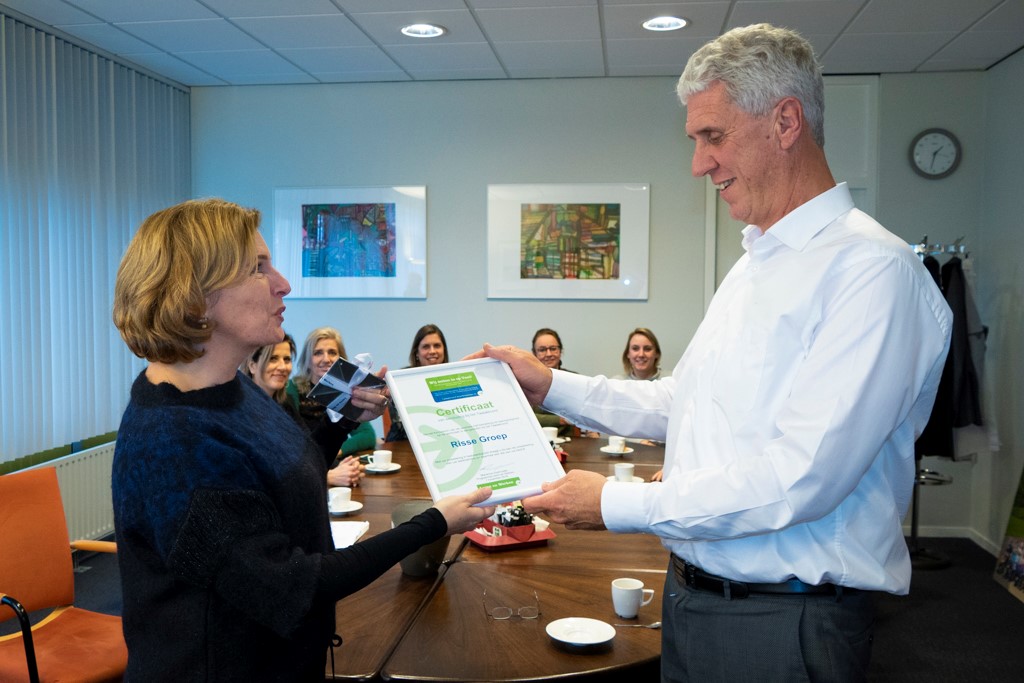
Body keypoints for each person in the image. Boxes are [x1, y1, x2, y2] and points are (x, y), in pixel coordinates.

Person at [470, 24, 952, 682]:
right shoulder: (756, 262)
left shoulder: (872, 272)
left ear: (785, 122)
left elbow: (799, 478)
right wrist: (550, 385)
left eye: (713, 136)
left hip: (784, 618)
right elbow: (685, 401)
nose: (699, 164)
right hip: (696, 594)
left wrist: (614, 503)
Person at [111, 198, 493, 681]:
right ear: (196, 296)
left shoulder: (230, 389)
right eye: (258, 268)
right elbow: (294, 584)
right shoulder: (173, 444)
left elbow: (291, 467)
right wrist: (433, 523)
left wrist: (342, 420)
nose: (283, 284)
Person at [244, 335, 365, 488]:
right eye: (273, 359)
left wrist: (345, 468)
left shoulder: (285, 404)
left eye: (287, 360)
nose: (282, 367)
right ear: (252, 365)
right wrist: (328, 477)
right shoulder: (242, 412)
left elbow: (309, 452)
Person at [288, 326, 377, 454]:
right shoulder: (292, 388)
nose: (326, 359)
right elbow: (293, 438)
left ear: (341, 359)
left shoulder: (346, 391)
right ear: (307, 360)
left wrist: (337, 452)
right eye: (318, 353)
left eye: (332, 352)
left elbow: (367, 435)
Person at [385, 323, 449, 441]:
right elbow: (401, 424)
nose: (432, 351)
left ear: (444, 350)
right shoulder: (402, 380)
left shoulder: (452, 378)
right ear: (417, 353)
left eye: (437, 346)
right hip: (404, 442)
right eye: (426, 347)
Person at [530, 328, 576, 438]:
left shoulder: (574, 380)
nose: (548, 354)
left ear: (560, 351)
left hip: (570, 441)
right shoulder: (526, 382)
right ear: (534, 353)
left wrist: (591, 431)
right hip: (536, 439)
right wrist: (560, 420)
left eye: (553, 348)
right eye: (542, 350)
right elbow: (527, 417)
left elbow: (583, 413)